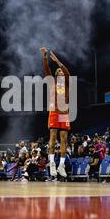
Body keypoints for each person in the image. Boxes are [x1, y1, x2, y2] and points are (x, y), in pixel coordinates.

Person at [40, 47, 71, 178]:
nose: (59, 71)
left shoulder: (67, 83)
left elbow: (67, 72)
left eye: (60, 71)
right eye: (57, 71)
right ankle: (52, 163)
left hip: (64, 112)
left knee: (64, 140)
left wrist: (58, 61)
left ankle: (61, 165)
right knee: (52, 138)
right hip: (54, 111)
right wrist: (45, 57)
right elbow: (47, 70)